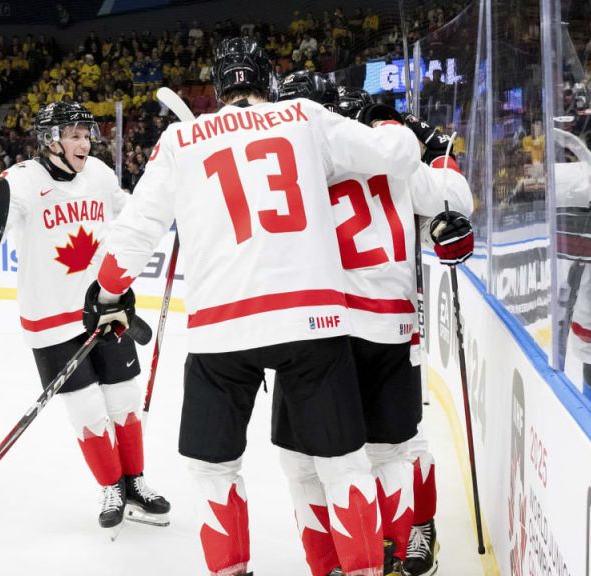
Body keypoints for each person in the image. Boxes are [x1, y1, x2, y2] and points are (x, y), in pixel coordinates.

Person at [81, 38, 423, 576]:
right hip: (311, 320)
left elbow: (136, 231)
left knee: (214, 471)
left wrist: (107, 294)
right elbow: (398, 157)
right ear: (269, 80)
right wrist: (390, 122)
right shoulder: (305, 116)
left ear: (219, 87)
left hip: (222, 328)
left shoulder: (180, 139)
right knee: (343, 465)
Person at [274, 74, 474, 576]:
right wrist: (439, 153)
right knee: (395, 447)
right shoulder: (391, 149)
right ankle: (401, 543)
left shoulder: (294, 161)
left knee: (320, 459)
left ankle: (357, 555)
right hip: (385, 324)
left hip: (325, 325)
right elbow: (455, 202)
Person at [0, 100, 171, 531]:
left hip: (103, 305)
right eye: (74, 136)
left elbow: (128, 210)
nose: (84, 143)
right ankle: (111, 486)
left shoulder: (99, 174)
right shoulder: (22, 180)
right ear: (51, 140)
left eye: (87, 135)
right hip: (49, 318)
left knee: (124, 400)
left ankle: (135, 482)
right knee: (87, 411)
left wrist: (166, 204)